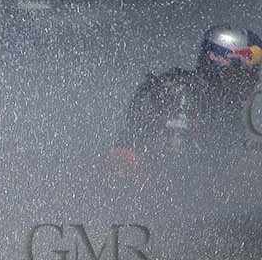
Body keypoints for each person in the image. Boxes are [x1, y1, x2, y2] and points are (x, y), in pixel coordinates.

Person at [110, 25, 262, 181]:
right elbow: (175, 168)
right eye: (248, 72)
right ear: (224, 70)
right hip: (150, 194)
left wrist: (245, 162)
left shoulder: (223, 107)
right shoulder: (179, 95)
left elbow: (222, 158)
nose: (255, 80)